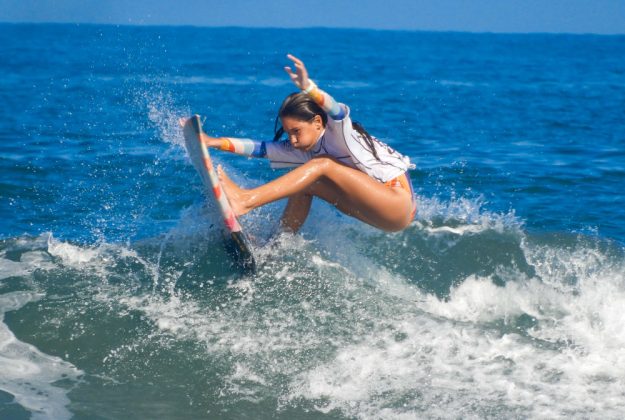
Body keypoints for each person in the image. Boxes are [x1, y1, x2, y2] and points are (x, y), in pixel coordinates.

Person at [181, 54, 416, 233]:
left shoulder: (339, 132)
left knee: (323, 165)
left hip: (396, 204)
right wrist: (213, 142)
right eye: (287, 133)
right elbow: (260, 148)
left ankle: (245, 200)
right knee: (305, 182)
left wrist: (309, 88)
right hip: (372, 212)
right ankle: (276, 247)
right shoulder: (303, 149)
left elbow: (333, 108)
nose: (292, 140)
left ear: (316, 122)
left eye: (296, 131)